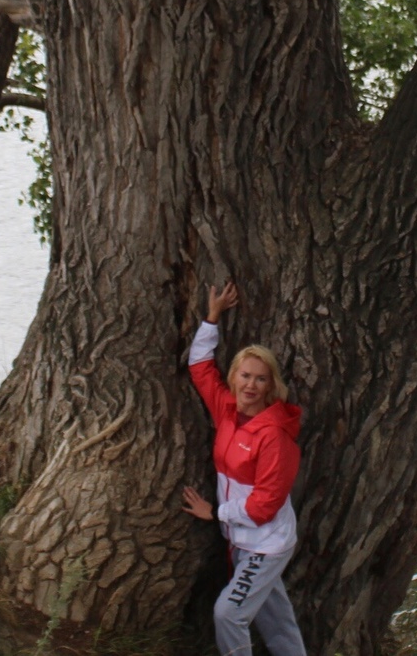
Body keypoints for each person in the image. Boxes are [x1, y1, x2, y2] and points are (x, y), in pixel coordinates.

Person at [181, 280, 306, 656]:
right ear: (234, 377)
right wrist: (213, 318)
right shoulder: (228, 411)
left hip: (265, 544)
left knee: (228, 614)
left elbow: (265, 506)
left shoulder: (275, 436)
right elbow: (201, 368)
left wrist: (214, 512)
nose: (250, 385)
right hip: (242, 540)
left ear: (271, 386)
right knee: (277, 622)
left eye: (260, 378)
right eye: (245, 375)